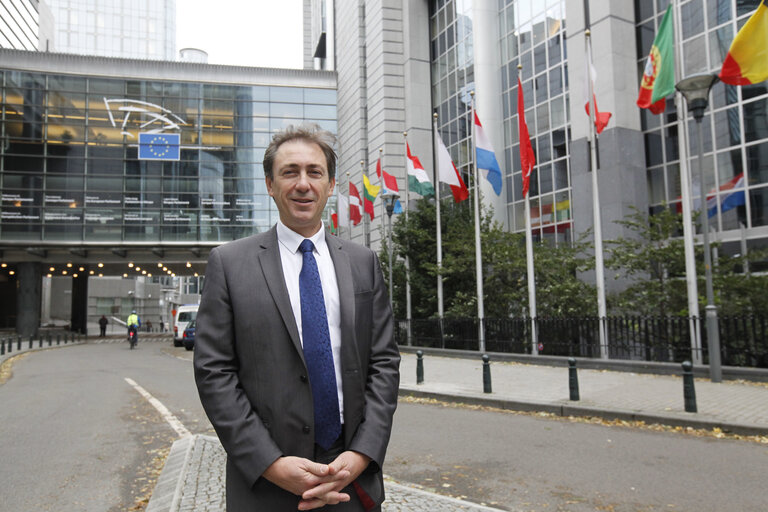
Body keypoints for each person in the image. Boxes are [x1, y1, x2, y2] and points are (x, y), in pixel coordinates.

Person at [194, 124, 400, 511]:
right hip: (267, 485)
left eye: (314, 172)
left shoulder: (363, 263)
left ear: (330, 183)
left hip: (351, 481)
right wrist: (270, 463)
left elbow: (384, 364)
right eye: (290, 172)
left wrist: (361, 454)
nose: (303, 183)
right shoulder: (229, 264)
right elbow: (214, 371)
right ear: (270, 185)